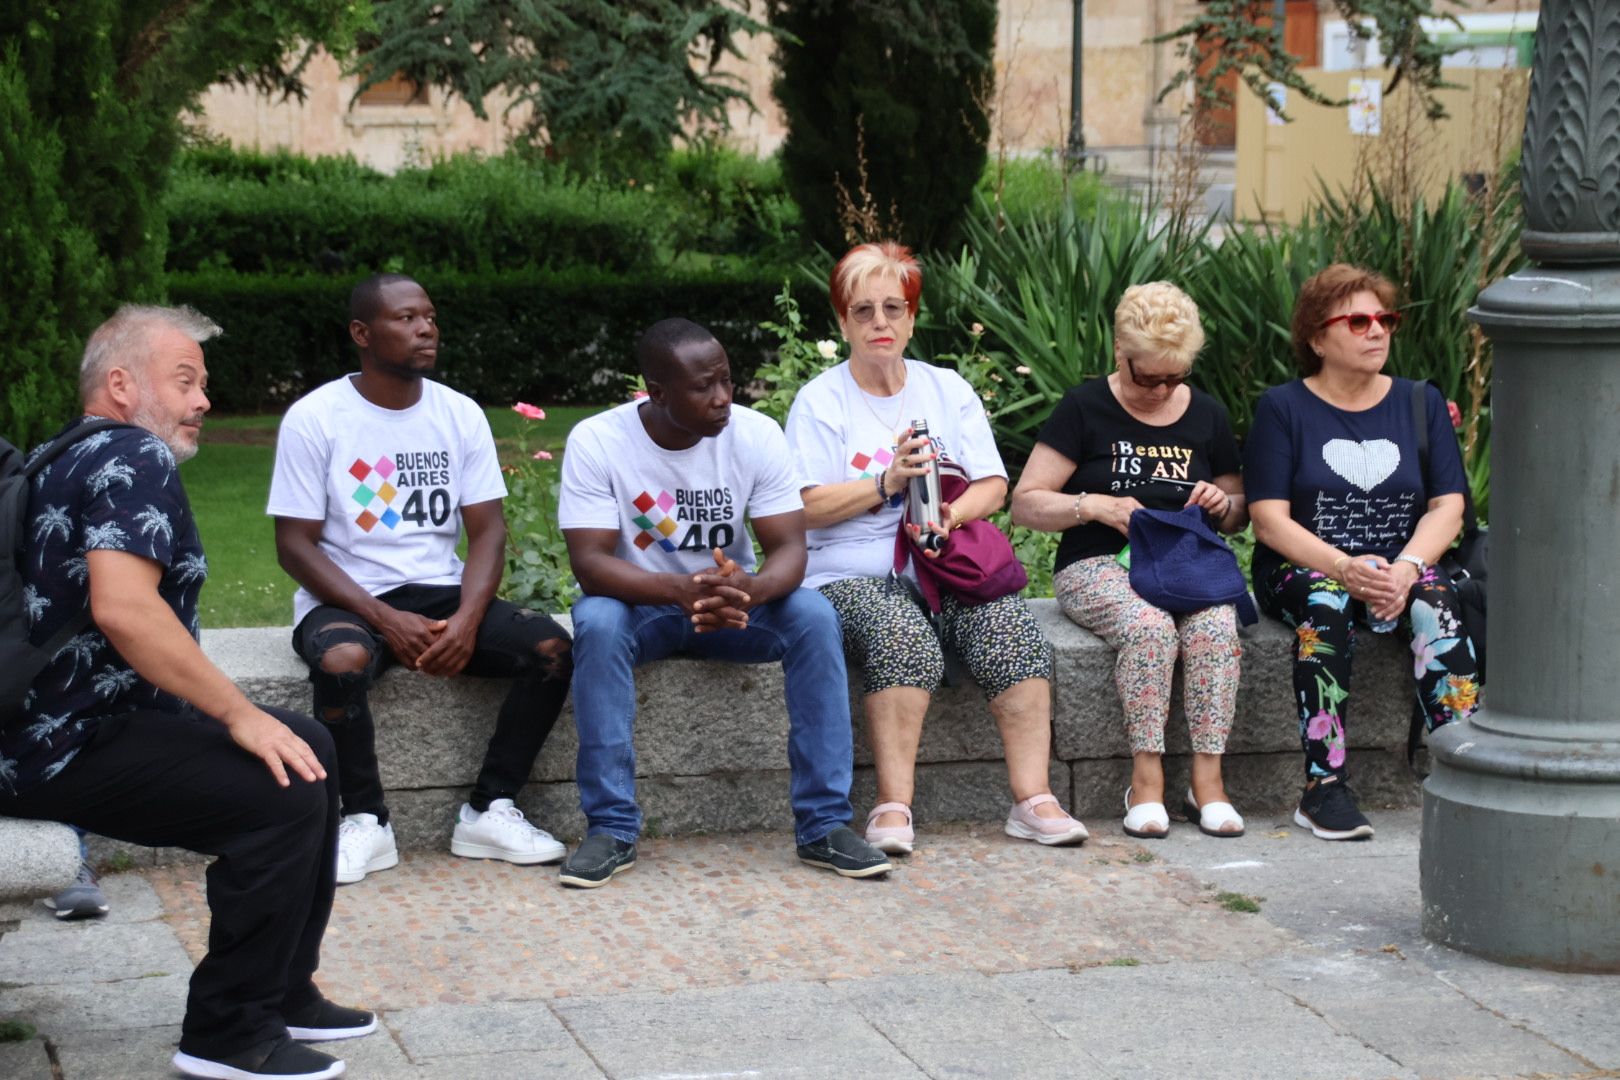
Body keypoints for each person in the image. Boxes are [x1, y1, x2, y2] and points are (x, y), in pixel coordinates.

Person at [0, 305, 370, 1080]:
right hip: (62, 745)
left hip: (46, 731)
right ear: (122, 384)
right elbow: (124, 607)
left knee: (312, 745)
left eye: (203, 383)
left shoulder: (58, 454)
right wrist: (237, 715)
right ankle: (227, 1037)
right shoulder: (134, 454)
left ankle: (281, 989)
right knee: (282, 791)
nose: (204, 400)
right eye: (186, 381)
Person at [557, 318, 890, 887]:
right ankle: (611, 829)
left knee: (812, 614)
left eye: (727, 381)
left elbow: (789, 548)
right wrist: (679, 591)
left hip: (735, 604)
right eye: (703, 387)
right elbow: (590, 564)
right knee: (596, 620)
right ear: (656, 393)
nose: (722, 399)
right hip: (645, 607)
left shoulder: (755, 435)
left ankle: (823, 826)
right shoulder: (597, 440)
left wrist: (751, 590)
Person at [784, 241, 1088, 855]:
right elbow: (804, 507)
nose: (880, 323)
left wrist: (950, 514)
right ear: (842, 321)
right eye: (863, 311)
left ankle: (1033, 798)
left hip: (944, 562)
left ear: (913, 317)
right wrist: (885, 482)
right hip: (850, 572)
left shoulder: (945, 389)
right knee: (902, 638)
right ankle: (893, 807)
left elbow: (994, 485)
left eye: (893, 309)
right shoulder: (821, 401)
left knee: (1011, 629)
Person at [269, 274, 573, 884]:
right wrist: (384, 620)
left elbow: (487, 531)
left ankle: (490, 809)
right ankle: (364, 822)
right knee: (341, 661)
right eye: (405, 319)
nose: (425, 328)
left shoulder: (458, 415)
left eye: (429, 316)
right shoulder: (316, 418)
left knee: (551, 648)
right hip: (349, 596)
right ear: (362, 333)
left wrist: (465, 621)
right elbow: (294, 546)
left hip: (440, 590)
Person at [1246, 263, 1481, 841]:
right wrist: (1343, 566)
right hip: (1304, 569)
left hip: (1399, 565)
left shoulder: (1420, 402)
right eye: (1358, 321)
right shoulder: (1283, 409)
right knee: (1326, 606)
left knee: (1434, 602)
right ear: (1317, 338)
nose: (1377, 331)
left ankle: (1467, 768)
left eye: (1385, 319)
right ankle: (1323, 788)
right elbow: (1268, 519)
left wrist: (1406, 568)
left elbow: (1448, 505)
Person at [1011, 282, 1247, 839]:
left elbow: (1238, 512)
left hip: (1184, 564)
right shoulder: (1085, 408)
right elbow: (1025, 504)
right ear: (1120, 351)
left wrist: (1221, 501)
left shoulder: (1207, 415)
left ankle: (1206, 783)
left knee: (1216, 627)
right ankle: (1146, 782)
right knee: (1150, 630)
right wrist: (1091, 504)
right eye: (1149, 377)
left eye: (1175, 377)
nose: (1162, 390)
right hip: (1099, 564)